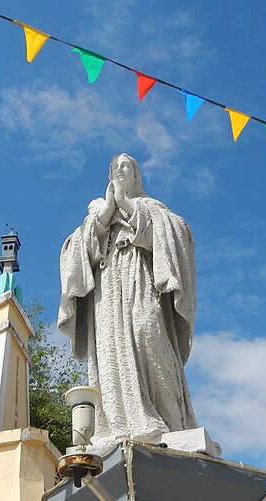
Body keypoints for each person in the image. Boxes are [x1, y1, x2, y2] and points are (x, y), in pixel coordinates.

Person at [58, 153, 198, 445]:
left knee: (150, 335)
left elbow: (179, 233)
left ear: (136, 175)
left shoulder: (151, 207)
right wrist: (104, 215)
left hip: (142, 280)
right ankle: (117, 424)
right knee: (111, 351)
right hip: (107, 293)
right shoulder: (98, 213)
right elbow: (74, 254)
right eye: (116, 167)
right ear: (110, 176)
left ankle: (171, 421)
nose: (121, 170)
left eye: (127, 166)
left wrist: (130, 208)